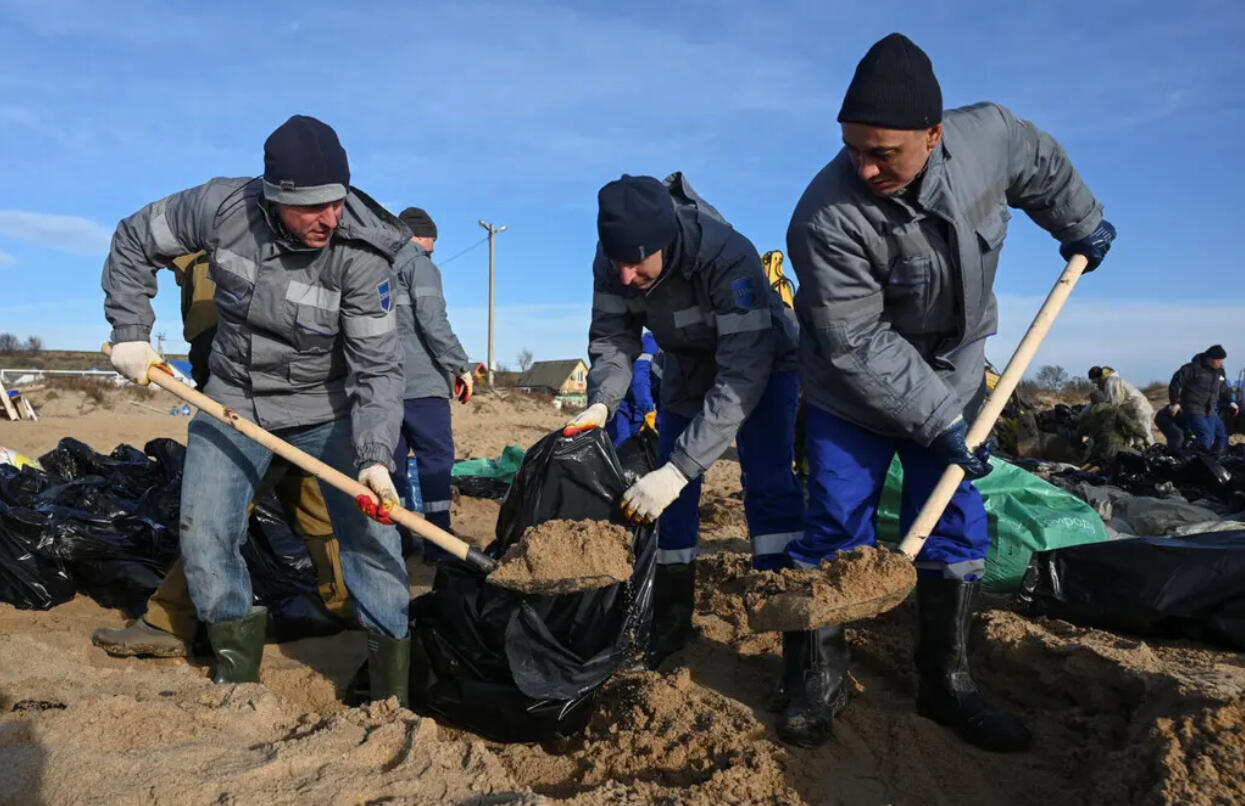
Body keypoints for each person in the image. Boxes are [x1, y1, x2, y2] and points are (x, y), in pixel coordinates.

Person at [785, 33, 1115, 751]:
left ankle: (946, 681)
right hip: (850, 387)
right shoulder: (825, 219)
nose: (865, 167)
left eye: (884, 153)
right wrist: (937, 419)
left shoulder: (987, 137)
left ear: (933, 136)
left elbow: (1041, 164)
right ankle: (815, 677)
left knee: (956, 526)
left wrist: (1080, 222)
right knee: (836, 520)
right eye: (852, 150)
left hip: (956, 371)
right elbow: (855, 341)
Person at [101, 115, 411, 703]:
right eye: (313, 207)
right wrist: (131, 329)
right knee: (205, 530)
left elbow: (377, 368)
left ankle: (390, 686)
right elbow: (134, 238)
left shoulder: (363, 253)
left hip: (330, 409)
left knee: (371, 537)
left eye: (337, 202)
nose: (330, 218)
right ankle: (236, 679)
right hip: (233, 400)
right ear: (274, 197)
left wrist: (374, 456)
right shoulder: (221, 208)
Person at [567, 172, 804, 667]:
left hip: (763, 363)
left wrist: (679, 469)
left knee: (768, 484)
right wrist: (601, 403)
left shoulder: (727, 255)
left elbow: (742, 372)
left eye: (636, 263)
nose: (625, 277)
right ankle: (670, 622)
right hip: (686, 366)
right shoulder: (614, 263)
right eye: (618, 264)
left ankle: (793, 641)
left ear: (667, 242)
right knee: (669, 503)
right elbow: (612, 339)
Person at [92, 252, 350, 658]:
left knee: (218, 514)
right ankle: (346, 603)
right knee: (314, 502)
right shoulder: (214, 263)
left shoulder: (211, 267)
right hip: (287, 398)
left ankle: (168, 620)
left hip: (250, 407)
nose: (170, 276)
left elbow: (218, 344)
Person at [390, 206, 475, 562]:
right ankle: (438, 540)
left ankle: (394, 539)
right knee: (436, 460)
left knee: (390, 463)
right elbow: (433, 322)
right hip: (422, 384)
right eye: (432, 240)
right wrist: (460, 365)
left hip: (384, 386)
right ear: (419, 235)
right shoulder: (419, 265)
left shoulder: (377, 267)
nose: (434, 249)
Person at [1168, 346, 1238, 453]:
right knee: (1205, 436)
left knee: (1222, 436)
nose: (1221, 363)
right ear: (1211, 359)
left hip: (1211, 411)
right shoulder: (1191, 369)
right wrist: (1174, 403)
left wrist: (1231, 402)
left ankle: (1216, 461)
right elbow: (1175, 384)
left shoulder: (1220, 371)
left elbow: (1224, 389)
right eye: (1219, 360)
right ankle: (1195, 461)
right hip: (1194, 409)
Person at [604, 331, 659, 446]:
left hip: (638, 409)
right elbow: (639, 380)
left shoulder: (673, 348)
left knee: (636, 449)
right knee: (621, 445)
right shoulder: (651, 342)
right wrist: (648, 410)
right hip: (621, 403)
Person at [1087, 366, 1154, 448]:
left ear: (1097, 377)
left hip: (1138, 410)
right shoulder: (1107, 383)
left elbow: (1113, 404)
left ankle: (1153, 455)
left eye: (1094, 380)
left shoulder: (1112, 382)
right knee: (1135, 437)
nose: (1094, 383)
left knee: (1144, 438)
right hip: (1132, 411)